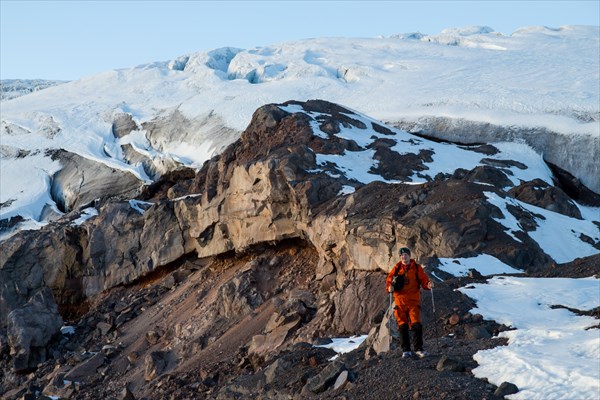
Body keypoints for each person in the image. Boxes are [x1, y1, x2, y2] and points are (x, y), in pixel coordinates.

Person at [386, 247, 433, 358]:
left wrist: (428, 285)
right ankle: (406, 350)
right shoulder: (396, 269)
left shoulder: (416, 268)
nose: (404, 256)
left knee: (416, 325)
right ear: (400, 257)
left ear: (409, 255)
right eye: (402, 255)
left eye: (406, 254)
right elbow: (389, 281)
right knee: (402, 326)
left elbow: (424, 280)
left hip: (413, 302)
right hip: (400, 302)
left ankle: (418, 349)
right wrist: (389, 287)